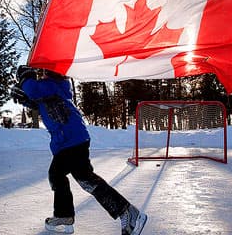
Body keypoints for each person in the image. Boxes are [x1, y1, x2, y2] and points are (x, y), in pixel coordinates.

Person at [11, 65, 147, 235]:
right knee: (84, 179)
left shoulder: (53, 84)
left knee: (59, 174)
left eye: (46, 71)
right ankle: (125, 212)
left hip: (71, 141)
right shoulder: (50, 89)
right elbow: (37, 100)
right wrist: (24, 97)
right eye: (42, 71)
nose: (43, 73)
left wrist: (25, 78)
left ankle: (67, 215)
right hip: (70, 140)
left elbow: (33, 89)